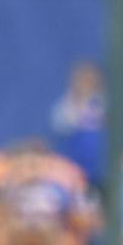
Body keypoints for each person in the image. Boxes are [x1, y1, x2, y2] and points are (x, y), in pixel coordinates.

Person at [50, 61, 107, 189]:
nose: (85, 84)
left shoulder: (102, 103)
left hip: (98, 166)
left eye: (89, 79)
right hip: (71, 163)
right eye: (81, 79)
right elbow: (60, 125)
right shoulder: (67, 104)